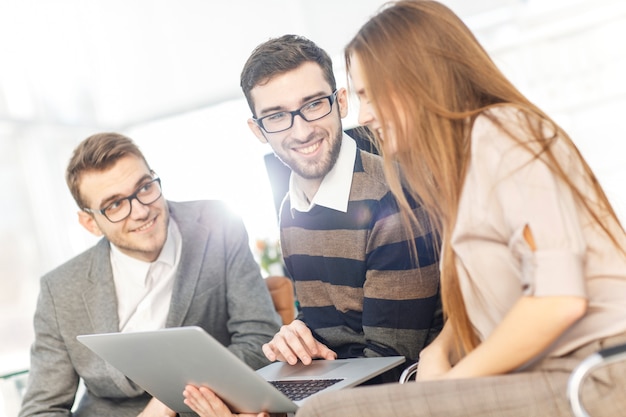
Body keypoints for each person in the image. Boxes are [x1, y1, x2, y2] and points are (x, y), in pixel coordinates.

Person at [295, 1, 626, 416]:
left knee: (324, 413)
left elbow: (557, 299)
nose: (365, 115)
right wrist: (440, 349)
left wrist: (454, 383)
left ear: (418, 78)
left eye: (368, 94)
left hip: (595, 377)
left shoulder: (503, 133)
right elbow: (495, 291)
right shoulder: (459, 167)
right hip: (547, 375)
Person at [181, 33, 442, 417]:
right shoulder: (291, 208)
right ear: (258, 130)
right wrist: (295, 336)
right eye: (276, 116)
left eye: (313, 105)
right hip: (332, 392)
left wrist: (283, 409)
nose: (301, 131)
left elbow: (392, 364)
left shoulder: (394, 200)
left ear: (340, 102)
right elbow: (330, 323)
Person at [19, 133, 281, 417]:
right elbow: (40, 410)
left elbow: (260, 340)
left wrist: (171, 398)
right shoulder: (59, 290)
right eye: (115, 205)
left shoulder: (218, 225)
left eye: (144, 187)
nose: (141, 211)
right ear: (90, 223)